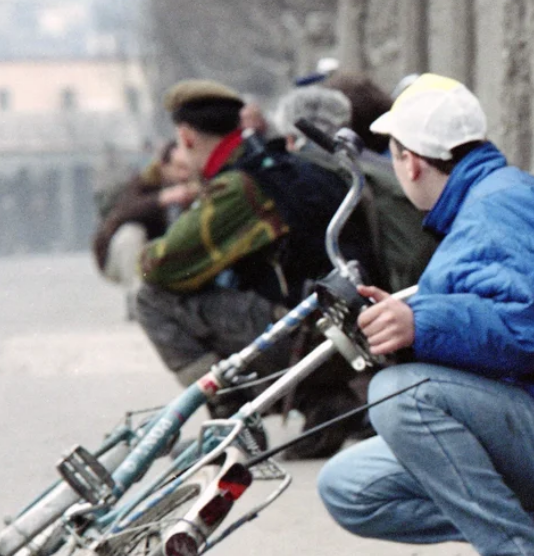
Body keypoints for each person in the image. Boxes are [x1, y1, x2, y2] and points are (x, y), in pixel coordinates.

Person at [315, 73, 534, 556]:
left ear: (409, 161)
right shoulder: (487, 202)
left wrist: (422, 322)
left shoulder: (500, 204)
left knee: (398, 395)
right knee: (349, 488)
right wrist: (409, 326)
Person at [135, 79, 376, 421]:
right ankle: (320, 401)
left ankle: (226, 404)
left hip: (308, 339)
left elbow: (158, 265)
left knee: (151, 297)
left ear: (187, 136)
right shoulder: (273, 163)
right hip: (333, 330)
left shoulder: (241, 186)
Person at [90, 140, 198, 317]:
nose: (184, 175)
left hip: (172, 261)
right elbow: (121, 213)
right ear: (164, 166)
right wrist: (161, 199)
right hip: (130, 261)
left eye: (188, 168)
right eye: (179, 168)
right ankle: (137, 298)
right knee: (130, 232)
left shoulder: (200, 185)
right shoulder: (144, 183)